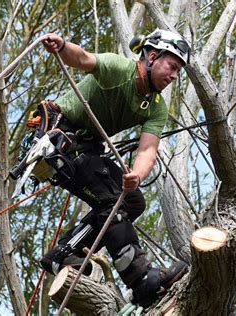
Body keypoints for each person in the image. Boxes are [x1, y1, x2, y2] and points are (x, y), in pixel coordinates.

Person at [36, 29, 191, 308]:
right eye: (172, 66)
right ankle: (141, 279)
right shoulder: (120, 69)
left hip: (87, 149)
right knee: (111, 200)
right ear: (152, 56)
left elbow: (147, 150)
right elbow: (83, 59)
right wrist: (62, 46)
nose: (173, 76)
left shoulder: (155, 107)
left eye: (178, 71)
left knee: (131, 200)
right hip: (61, 138)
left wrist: (137, 176)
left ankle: (65, 253)